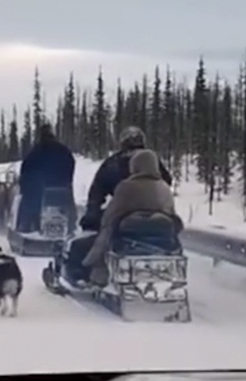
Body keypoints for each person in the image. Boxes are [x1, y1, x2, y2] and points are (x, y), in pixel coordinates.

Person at [82, 149, 180, 286]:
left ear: (134, 166)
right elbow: (170, 212)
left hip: (130, 239)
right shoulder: (164, 188)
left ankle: (97, 274)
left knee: (106, 234)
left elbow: (112, 213)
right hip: (160, 242)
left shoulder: (126, 187)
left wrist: (101, 220)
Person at [80, 126, 172, 231]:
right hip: (153, 214)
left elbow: (97, 191)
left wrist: (92, 213)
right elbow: (167, 182)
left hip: (123, 214)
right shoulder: (150, 159)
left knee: (98, 237)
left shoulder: (113, 162)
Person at [16, 123, 76, 233]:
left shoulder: (35, 152)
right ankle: (72, 226)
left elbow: (25, 171)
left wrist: (24, 186)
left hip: (39, 192)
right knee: (69, 205)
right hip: (62, 190)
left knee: (26, 202)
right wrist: (67, 181)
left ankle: (25, 225)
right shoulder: (63, 151)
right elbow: (71, 165)